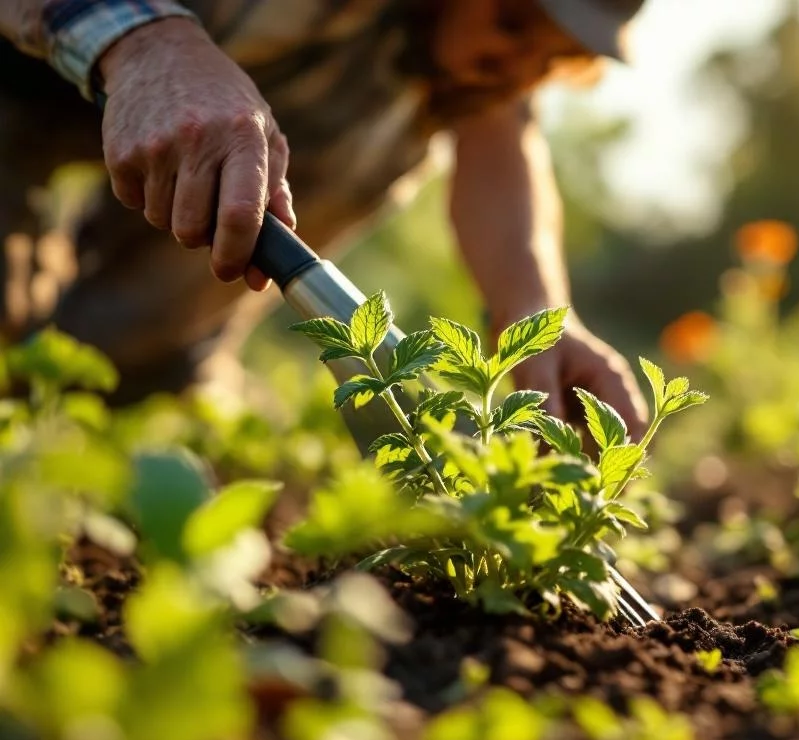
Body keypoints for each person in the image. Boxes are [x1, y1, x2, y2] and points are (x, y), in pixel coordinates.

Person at [0, 0, 648, 435]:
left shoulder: (456, 68)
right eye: (512, 21)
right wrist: (148, 43)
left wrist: (537, 314)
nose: (516, 66)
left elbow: (502, 146)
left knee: (60, 396)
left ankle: (132, 370)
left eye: (547, 58)